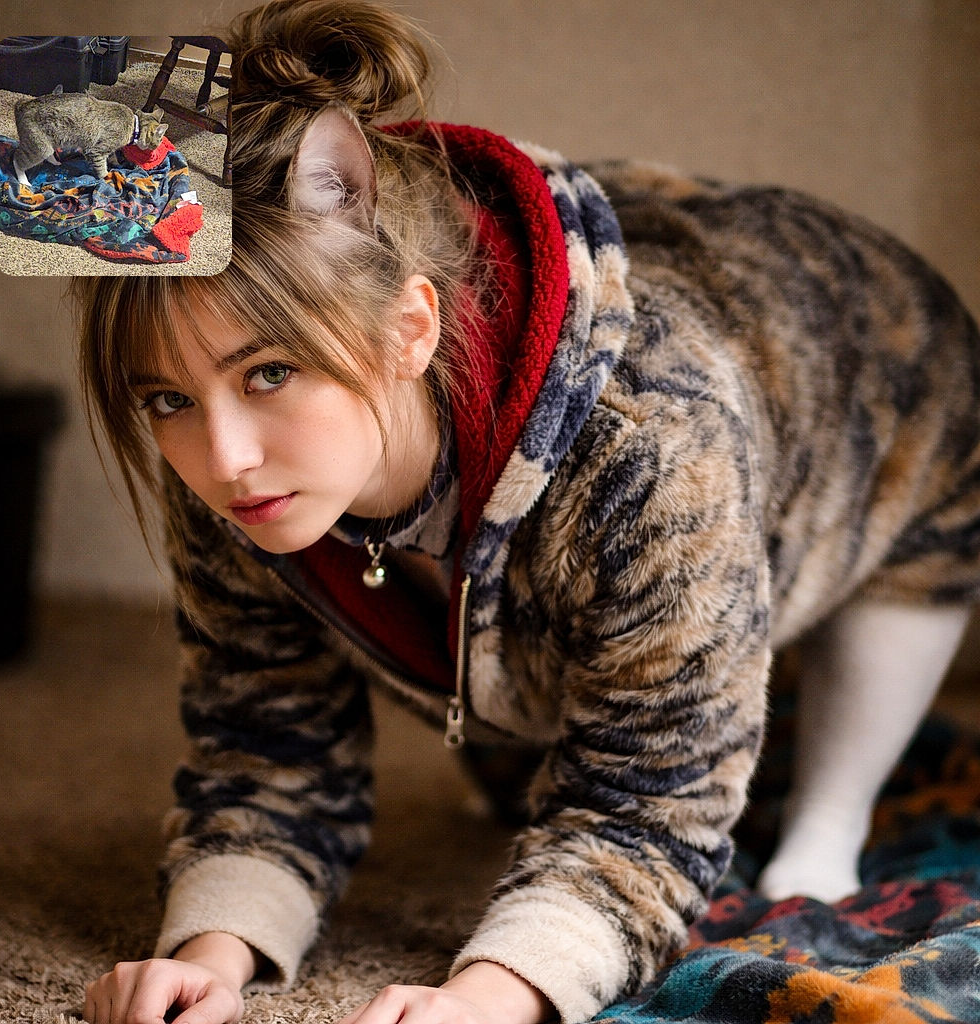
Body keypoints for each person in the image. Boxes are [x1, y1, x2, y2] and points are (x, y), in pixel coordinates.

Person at [72, 1, 980, 1022]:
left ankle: (831, 803)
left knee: (800, 842)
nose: (222, 456)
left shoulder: (652, 443)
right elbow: (262, 743)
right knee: (532, 742)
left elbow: (647, 804)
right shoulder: (234, 466)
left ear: (411, 327)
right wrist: (213, 947)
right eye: (166, 398)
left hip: (887, 395)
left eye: (271, 372)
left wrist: (490, 995)